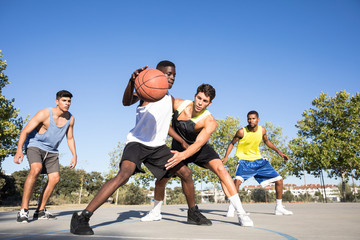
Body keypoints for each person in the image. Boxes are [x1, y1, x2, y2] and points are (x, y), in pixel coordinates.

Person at [70, 60, 197, 235]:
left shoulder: (169, 98)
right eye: (168, 73)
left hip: (158, 147)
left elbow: (164, 125)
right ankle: (82, 217)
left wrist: (181, 141)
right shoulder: (146, 91)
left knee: (186, 173)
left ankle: (193, 213)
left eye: (174, 74)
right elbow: (126, 101)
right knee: (123, 175)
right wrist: (132, 82)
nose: (172, 77)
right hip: (137, 143)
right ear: (157, 74)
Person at [141, 84, 253, 227]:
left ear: (210, 103)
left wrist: (183, 156)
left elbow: (198, 144)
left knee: (221, 170)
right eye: (199, 98)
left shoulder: (209, 121)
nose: (200, 103)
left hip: (199, 149)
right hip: (178, 148)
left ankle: (241, 214)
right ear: (195, 96)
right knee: (161, 179)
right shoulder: (178, 104)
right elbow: (158, 105)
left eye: (205, 101)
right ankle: (156, 212)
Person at [14, 90, 77, 223]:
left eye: (69, 101)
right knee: (36, 169)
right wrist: (19, 150)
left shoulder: (70, 118)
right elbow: (25, 131)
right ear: (57, 101)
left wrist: (74, 155)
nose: (67, 103)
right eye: (64, 100)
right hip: (35, 145)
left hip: (52, 151)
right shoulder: (44, 113)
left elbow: (70, 138)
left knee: (55, 179)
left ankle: (40, 210)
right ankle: (23, 210)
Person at [222, 110, 293, 216]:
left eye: (253, 118)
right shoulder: (242, 131)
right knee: (237, 182)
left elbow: (267, 141)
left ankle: (279, 207)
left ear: (258, 119)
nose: (251, 120)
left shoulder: (262, 130)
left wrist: (280, 153)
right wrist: (226, 157)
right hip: (244, 162)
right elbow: (232, 143)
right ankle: (232, 207)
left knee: (279, 180)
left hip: (259, 161)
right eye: (249, 119)